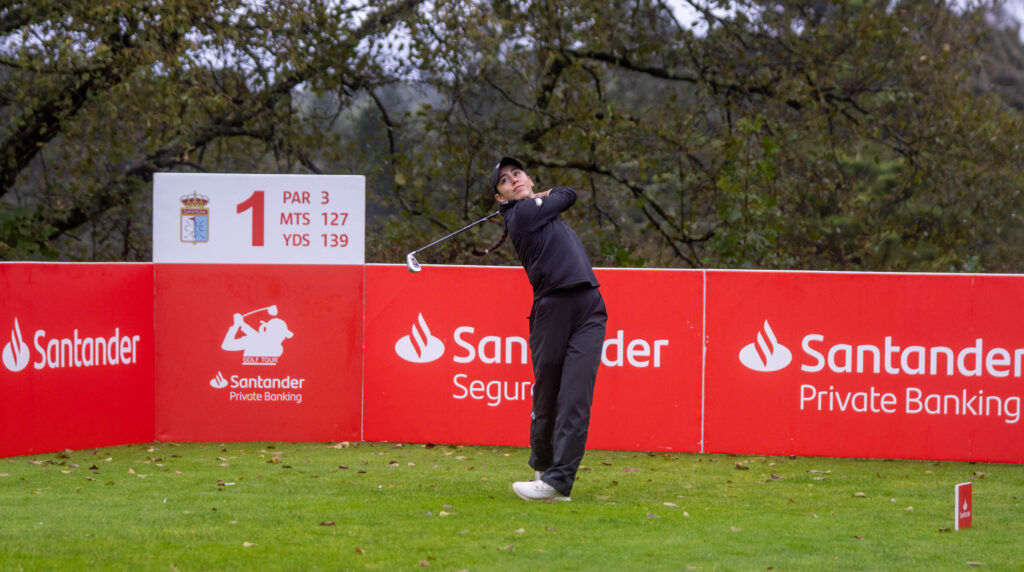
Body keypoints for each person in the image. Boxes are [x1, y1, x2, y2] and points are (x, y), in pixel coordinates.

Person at [489, 156, 608, 502]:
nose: (514, 179)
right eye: (505, 181)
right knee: (548, 395)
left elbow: (565, 195)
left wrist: (540, 196)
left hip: (589, 305)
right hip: (552, 308)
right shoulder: (522, 214)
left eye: (517, 173)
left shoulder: (538, 211)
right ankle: (543, 465)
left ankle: (557, 482)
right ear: (500, 197)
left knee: (575, 398)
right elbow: (568, 194)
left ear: (528, 178)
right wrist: (540, 196)